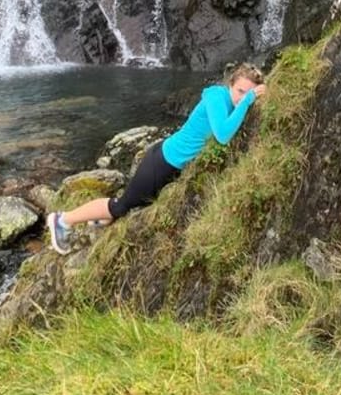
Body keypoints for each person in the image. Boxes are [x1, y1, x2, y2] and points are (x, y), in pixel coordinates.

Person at [47, 62, 266, 253]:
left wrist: (248, 99)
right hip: (162, 162)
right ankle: (63, 220)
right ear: (230, 84)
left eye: (248, 93)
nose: (241, 98)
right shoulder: (217, 98)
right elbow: (223, 135)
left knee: (129, 204)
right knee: (120, 206)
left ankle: (99, 218)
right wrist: (248, 101)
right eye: (240, 91)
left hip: (171, 161)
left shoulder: (229, 101)